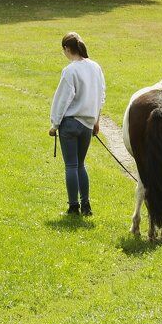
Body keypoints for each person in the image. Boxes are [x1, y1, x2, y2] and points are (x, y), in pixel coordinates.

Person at [48, 31, 105, 216]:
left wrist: (54, 124)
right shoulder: (95, 67)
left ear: (67, 48)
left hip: (71, 123)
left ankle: (73, 207)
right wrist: (96, 119)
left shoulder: (70, 70)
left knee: (71, 166)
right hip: (88, 123)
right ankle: (86, 205)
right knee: (81, 164)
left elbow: (63, 99)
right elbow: (100, 95)